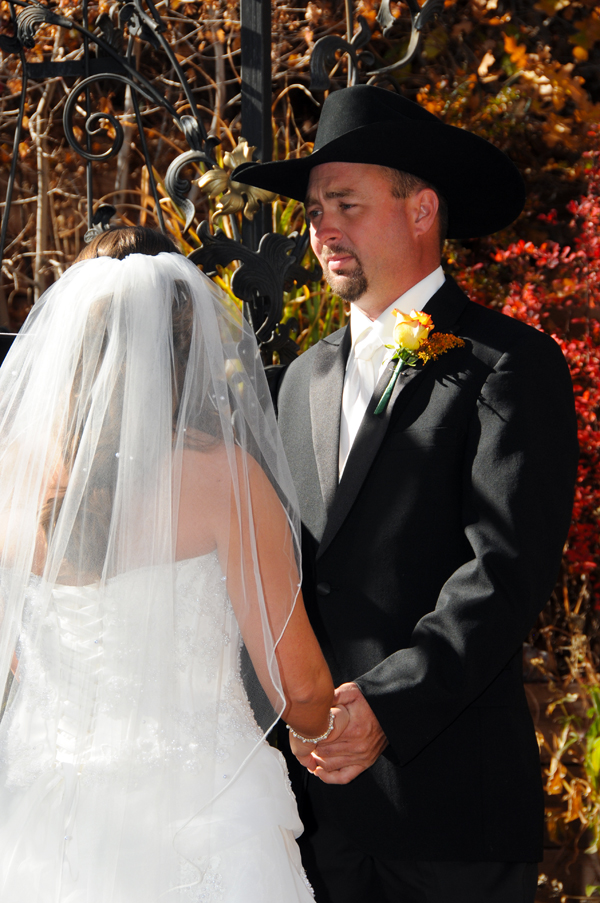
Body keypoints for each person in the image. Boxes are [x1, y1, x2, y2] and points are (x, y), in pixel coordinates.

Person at [233, 85, 580, 902]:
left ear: (422, 209)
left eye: (344, 203)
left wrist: (384, 704)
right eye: (315, 208)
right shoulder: (296, 381)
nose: (321, 228)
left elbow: (503, 573)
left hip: (451, 807)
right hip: (310, 815)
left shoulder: (510, 365)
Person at [0, 226, 349, 901]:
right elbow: (298, 686)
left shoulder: (9, 478)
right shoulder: (224, 480)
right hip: (204, 812)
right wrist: (324, 732)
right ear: (186, 341)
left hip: (46, 818)